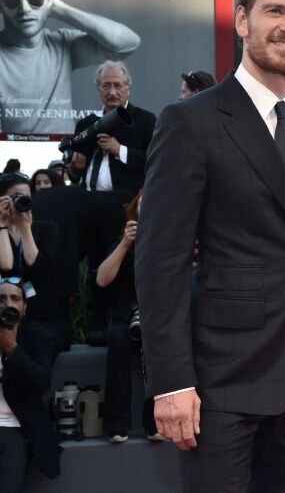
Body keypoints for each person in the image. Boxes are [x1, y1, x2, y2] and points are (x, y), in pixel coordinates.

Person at [135, 0, 285, 492]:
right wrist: (171, 382)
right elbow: (161, 262)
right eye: (275, 11)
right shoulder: (191, 121)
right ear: (242, 20)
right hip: (218, 384)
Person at [0, 0, 140, 134]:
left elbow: (128, 43)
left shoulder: (62, 43)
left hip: (62, 155)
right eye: (12, 0)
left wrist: (60, 9)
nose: (25, 9)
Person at [95, 190, 160, 443]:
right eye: (144, 204)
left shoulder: (171, 241)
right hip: (125, 318)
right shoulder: (124, 240)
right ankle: (116, 424)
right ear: (135, 210)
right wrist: (125, 244)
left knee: (161, 340)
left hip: (157, 319)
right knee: (118, 337)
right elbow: (102, 279)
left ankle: (155, 422)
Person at [0, 277, 61, 491]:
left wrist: (13, 350)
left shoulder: (38, 337)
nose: (8, 304)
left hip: (14, 426)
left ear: (24, 307)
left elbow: (41, 381)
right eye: (1, 298)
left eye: (15, 298)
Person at [66, 60, 157, 199]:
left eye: (117, 85)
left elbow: (155, 161)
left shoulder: (145, 120)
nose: (112, 92)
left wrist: (120, 150)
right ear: (98, 88)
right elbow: (75, 174)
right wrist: (74, 170)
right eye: (106, 85)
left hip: (126, 203)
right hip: (87, 199)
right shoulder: (85, 123)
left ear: (128, 88)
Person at [0, 173, 65, 360]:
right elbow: (6, 267)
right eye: (17, 196)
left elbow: (38, 267)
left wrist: (25, 227)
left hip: (42, 314)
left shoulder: (47, 229)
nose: (23, 200)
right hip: (7, 311)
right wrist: (2, 225)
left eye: (27, 195)